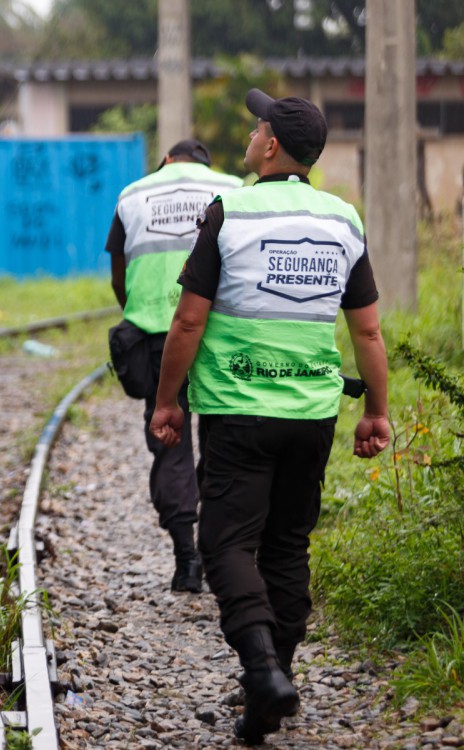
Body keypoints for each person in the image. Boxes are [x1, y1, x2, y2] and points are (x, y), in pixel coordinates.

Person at [150, 89, 390, 745]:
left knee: (227, 544)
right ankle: (275, 681)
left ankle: (261, 669)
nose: (252, 137)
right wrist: (376, 411)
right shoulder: (343, 219)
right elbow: (368, 333)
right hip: (312, 414)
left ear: (272, 144)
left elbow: (188, 321)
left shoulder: (229, 211)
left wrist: (168, 400)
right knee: (287, 544)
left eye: (258, 128)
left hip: (238, 411)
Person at [106, 139, 242, 593]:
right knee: (222, 439)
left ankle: (187, 561)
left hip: (157, 337)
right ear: (206, 165)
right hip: (219, 332)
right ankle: (223, 554)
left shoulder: (133, 194)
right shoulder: (232, 189)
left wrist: (145, 311)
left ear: (166, 161)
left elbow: (119, 277)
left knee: (169, 439)